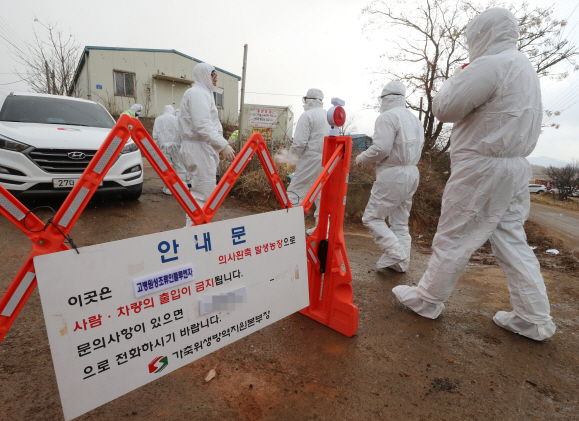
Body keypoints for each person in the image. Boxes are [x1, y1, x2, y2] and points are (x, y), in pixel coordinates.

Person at [392, 8, 556, 341]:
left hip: (483, 165)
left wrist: (458, 76)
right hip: (514, 167)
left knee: (455, 233)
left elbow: (445, 108)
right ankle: (534, 317)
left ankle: (427, 298)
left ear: (482, 35)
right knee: (511, 238)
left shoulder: (491, 64)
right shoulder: (524, 66)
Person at [355, 81, 424, 272]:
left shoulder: (387, 117)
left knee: (372, 218)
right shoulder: (414, 119)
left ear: (385, 98)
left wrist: (361, 157)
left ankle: (396, 253)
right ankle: (400, 264)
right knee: (400, 221)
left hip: (393, 173)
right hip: (411, 172)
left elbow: (381, 148)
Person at [179, 63, 235, 226]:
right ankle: (196, 235)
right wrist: (222, 145)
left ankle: (197, 231)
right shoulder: (198, 94)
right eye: (213, 75)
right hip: (199, 148)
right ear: (204, 75)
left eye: (216, 76)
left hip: (200, 147)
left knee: (202, 194)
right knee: (203, 197)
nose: (216, 79)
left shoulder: (202, 93)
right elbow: (202, 125)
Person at [287, 88, 330, 235]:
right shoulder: (328, 115)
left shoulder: (307, 115)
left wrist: (291, 158)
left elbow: (299, 143)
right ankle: (323, 229)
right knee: (321, 194)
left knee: (296, 190)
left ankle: (287, 228)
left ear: (308, 100)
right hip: (328, 159)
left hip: (311, 158)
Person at [153, 105, 186, 195]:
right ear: (171, 110)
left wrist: (156, 149)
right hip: (176, 145)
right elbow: (181, 133)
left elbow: (155, 136)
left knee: (167, 168)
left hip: (163, 146)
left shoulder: (158, 119)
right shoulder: (176, 119)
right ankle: (182, 187)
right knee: (179, 166)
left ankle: (169, 188)